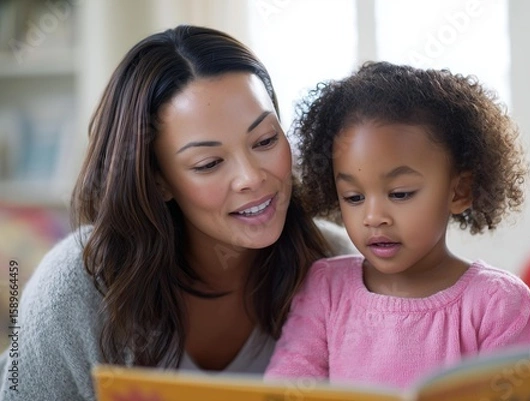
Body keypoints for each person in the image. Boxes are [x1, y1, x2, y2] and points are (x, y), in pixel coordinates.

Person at [0, 25, 355, 401]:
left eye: (265, 141)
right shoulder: (75, 287)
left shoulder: (335, 260)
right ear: (158, 180)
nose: (252, 178)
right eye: (209, 163)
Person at [264, 62, 530, 390]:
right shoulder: (325, 288)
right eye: (354, 197)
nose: (373, 217)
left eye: (400, 193)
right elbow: (285, 389)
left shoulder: (499, 304)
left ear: (459, 191)